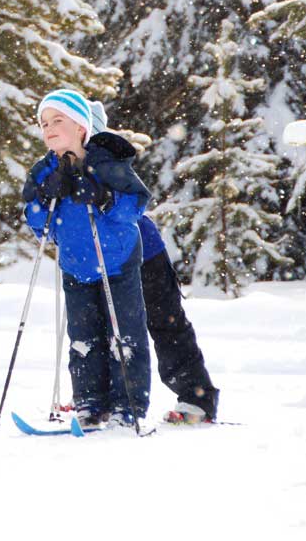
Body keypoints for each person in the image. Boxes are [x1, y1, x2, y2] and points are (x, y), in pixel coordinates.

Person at [22, 89, 151, 429]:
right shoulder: (43, 171)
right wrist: (46, 196)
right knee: (83, 340)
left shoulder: (106, 162)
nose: (49, 128)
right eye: (44, 122)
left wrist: (104, 197)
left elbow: (136, 205)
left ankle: (128, 405)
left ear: (81, 126)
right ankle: (90, 404)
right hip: (76, 267)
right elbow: (37, 222)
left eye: (58, 120)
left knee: (124, 337)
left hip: (117, 264)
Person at [89, 103, 220, 424]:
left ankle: (196, 397)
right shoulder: (61, 163)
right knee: (103, 330)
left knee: (165, 322)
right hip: (101, 261)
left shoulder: (105, 159)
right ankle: (100, 400)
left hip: (144, 253)